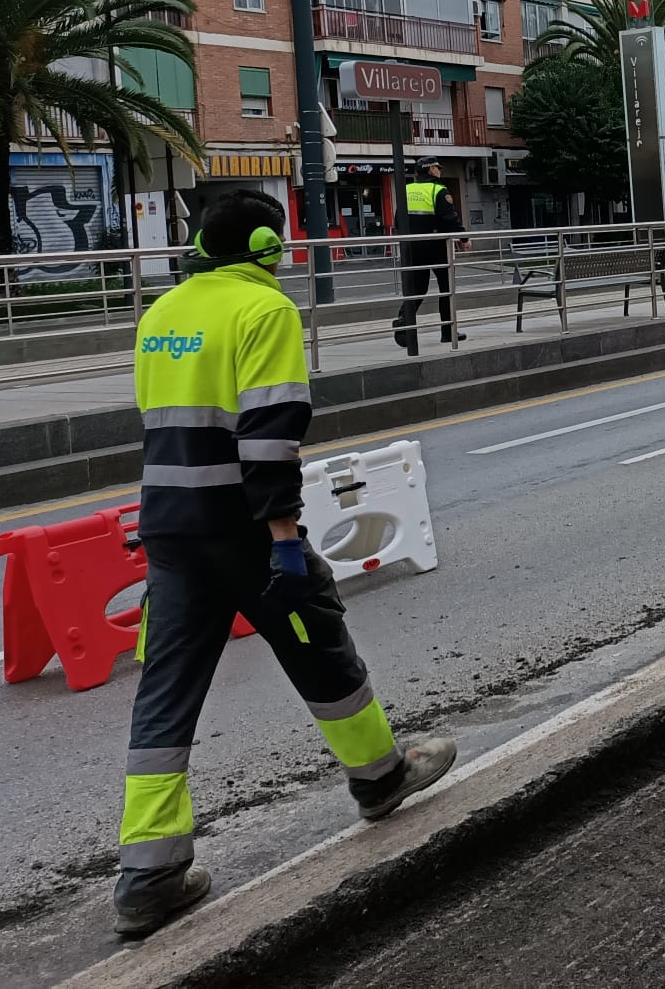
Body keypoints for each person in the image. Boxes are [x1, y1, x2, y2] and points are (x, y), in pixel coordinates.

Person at [116, 191, 455, 938]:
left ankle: (147, 875)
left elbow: (158, 427)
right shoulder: (263, 313)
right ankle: (379, 777)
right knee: (318, 644)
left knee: (166, 693)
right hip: (239, 528)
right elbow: (269, 438)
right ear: (268, 247)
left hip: (168, 528)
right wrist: (284, 540)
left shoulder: (160, 313)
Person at [392, 160, 468, 355]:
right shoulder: (438, 190)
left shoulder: (407, 189)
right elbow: (449, 218)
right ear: (430, 170)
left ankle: (403, 320)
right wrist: (463, 238)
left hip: (412, 247)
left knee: (418, 288)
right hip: (436, 245)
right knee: (446, 287)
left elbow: (398, 219)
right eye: (438, 168)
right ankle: (448, 331)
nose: (440, 171)